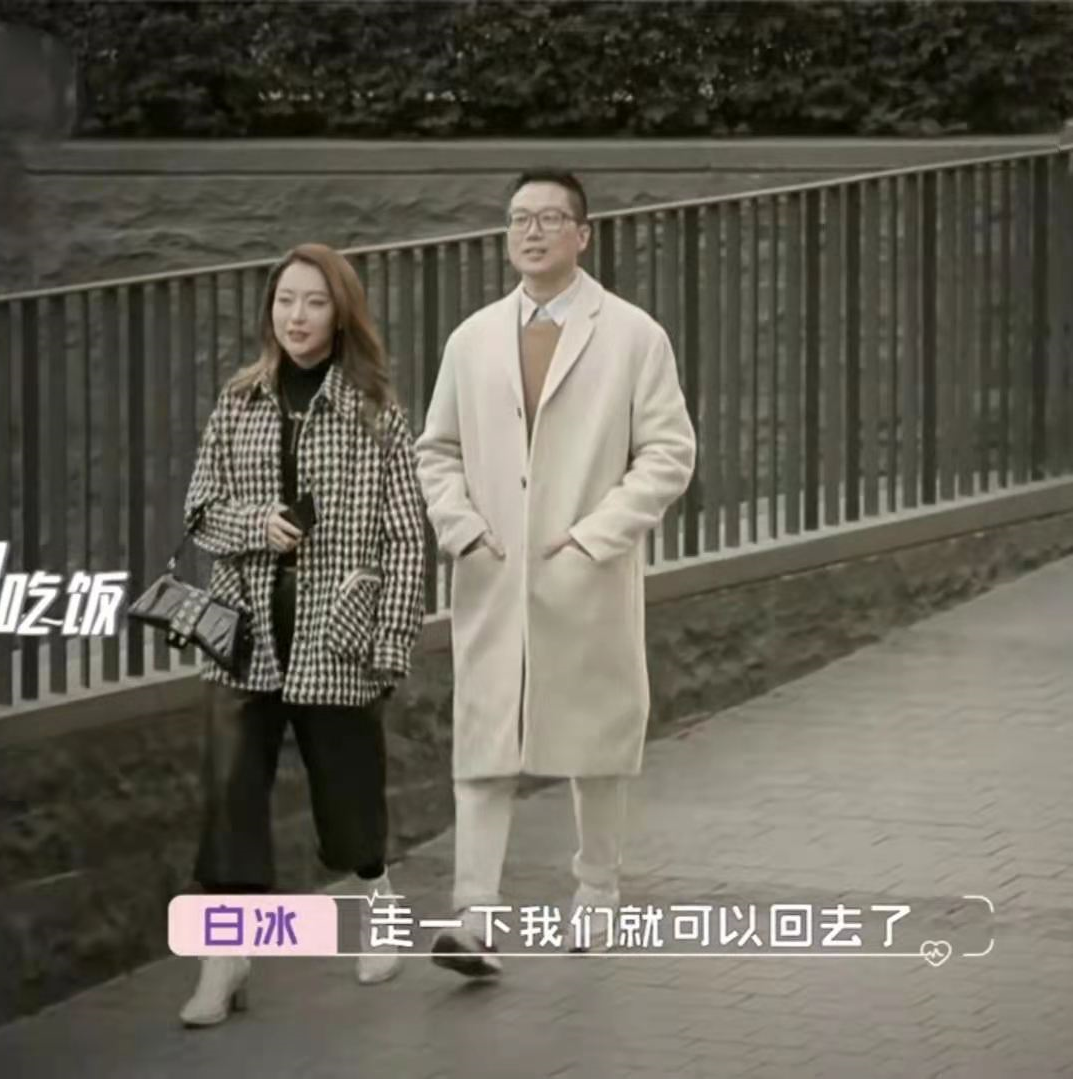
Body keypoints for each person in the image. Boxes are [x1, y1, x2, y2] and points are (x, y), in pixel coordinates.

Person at [415, 170, 696, 976]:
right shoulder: (472, 339)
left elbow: (669, 452)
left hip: (584, 573)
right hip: (494, 571)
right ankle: (475, 915)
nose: (531, 232)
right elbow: (437, 450)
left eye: (548, 218)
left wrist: (594, 537)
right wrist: (462, 527)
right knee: (485, 740)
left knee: (594, 740)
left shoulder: (634, 335)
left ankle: (598, 888)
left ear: (583, 233)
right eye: (518, 219)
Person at [176, 243, 427, 1025]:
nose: (297, 316)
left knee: (347, 789)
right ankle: (224, 958)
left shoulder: (375, 412)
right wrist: (258, 523)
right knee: (230, 795)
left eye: (314, 301)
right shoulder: (239, 400)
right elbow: (200, 511)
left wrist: (389, 643)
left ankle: (378, 905)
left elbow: (406, 537)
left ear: (341, 313)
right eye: (285, 300)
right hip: (244, 631)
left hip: (336, 632)